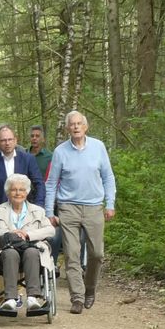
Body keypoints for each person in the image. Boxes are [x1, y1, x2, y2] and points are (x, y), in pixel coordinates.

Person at [44, 110, 116, 314]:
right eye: (72, 124)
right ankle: (76, 296)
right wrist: (50, 211)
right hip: (68, 207)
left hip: (94, 206)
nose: (75, 127)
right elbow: (51, 183)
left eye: (79, 124)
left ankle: (90, 289)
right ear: (68, 128)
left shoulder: (98, 147)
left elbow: (108, 177)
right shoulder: (60, 151)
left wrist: (110, 203)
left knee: (97, 253)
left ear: (85, 127)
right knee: (72, 253)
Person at [0, 173, 55, 313]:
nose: (18, 193)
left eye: (21, 190)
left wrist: (28, 234)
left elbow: (51, 230)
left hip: (31, 249)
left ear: (26, 192)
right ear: (8, 192)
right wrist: (9, 235)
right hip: (7, 251)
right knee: (10, 253)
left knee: (32, 252)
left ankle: (32, 298)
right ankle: (10, 299)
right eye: (14, 189)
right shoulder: (0, 210)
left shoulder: (38, 211)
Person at [0, 124, 45, 210]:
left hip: (26, 210)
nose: (7, 143)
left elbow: (39, 183)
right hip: (0, 211)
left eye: (10, 139)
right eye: (3, 140)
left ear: (15, 140)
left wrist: (38, 205)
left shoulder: (28, 159)